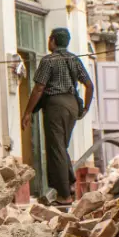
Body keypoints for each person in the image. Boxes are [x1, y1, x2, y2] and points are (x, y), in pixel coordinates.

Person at [20, 28, 92, 204]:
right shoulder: (75, 59)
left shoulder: (48, 60)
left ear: (52, 41)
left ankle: (64, 195)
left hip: (56, 105)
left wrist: (28, 111)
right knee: (61, 147)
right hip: (72, 105)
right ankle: (71, 184)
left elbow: (39, 88)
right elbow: (89, 85)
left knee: (56, 149)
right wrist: (85, 108)